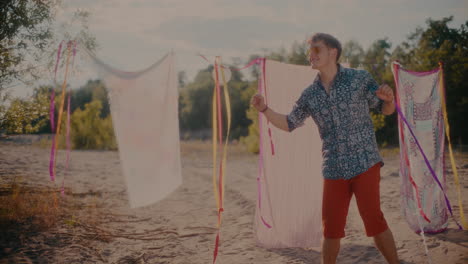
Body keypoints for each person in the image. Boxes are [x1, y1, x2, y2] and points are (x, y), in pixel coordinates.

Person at [250, 33, 399, 264]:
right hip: (333, 167)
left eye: (316, 50)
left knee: (374, 221)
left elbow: (385, 109)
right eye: (309, 51)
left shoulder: (359, 78)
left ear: (333, 52)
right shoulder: (310, 94)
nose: (311, 55)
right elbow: (289, 123)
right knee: (331, 230)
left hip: (365, 162)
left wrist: (389, 100)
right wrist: (264, 109)